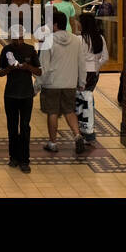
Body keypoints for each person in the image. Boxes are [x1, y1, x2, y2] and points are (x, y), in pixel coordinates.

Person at [39, 9, 88, 155]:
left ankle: (53, 143)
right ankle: (77, 135)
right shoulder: (75, 40)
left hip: (52, 83)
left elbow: (44, 66)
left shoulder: (48, 40)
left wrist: (37, 85)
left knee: (52, 112)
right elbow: (81, 63)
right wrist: (82, 81)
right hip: (70, 82)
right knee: (69, 111)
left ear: (55, 25)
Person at [0, 25, 42, 173]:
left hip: (26, 94)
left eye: (21, 38)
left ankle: (25, 159)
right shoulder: (6, 50)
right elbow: (0, 73)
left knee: (24, 127)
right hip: (10, 94)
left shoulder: (30, 50)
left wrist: (28, 67)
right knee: (12, 127)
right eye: (16, 39)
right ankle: (13, 157)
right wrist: (11, 68)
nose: (18, 42)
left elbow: (39, 71)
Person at [78, 11, 109, 147]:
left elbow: (76, 59)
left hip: (82, 73)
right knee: (87, 98)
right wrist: (96, 65)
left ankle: (85, 131)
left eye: (79, 22)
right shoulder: (100, 38)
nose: (77, 24)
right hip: (94, 74)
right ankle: (87, 131)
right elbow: (105, 58)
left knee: (80, 101)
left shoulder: (79, 40)